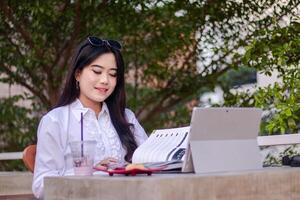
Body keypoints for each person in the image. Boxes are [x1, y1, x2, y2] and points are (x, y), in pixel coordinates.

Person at [32, 36, 148, 198]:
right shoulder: (56, 121)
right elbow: (40, 186)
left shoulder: (126, 117)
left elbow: (149, 159)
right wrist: (92, 171)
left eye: (113, 74)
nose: (105, 80)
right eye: (97, 71)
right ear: (78, 74)